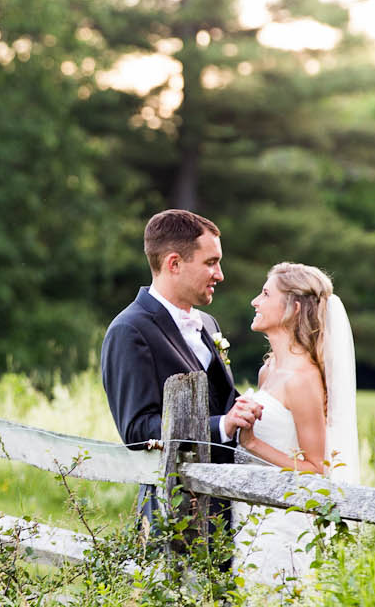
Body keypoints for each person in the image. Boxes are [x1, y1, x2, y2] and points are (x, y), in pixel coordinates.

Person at [99, 210, 263, 558]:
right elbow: (138, 430)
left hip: (225, 506)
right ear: (174, 263)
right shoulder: (129, 331)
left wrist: (240, 408)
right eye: (211, 262)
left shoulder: (207, 322)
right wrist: (221, 426)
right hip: (173, 514)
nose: (220, 274)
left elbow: (219, 398)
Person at [231, 262, 360, 590]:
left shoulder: (303, 380)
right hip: (248, 513)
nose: (254, 302)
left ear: (294, 308)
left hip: (282, 524)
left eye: (265, 293)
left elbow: (317, 469)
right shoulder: (268, 371)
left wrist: (252, 444)